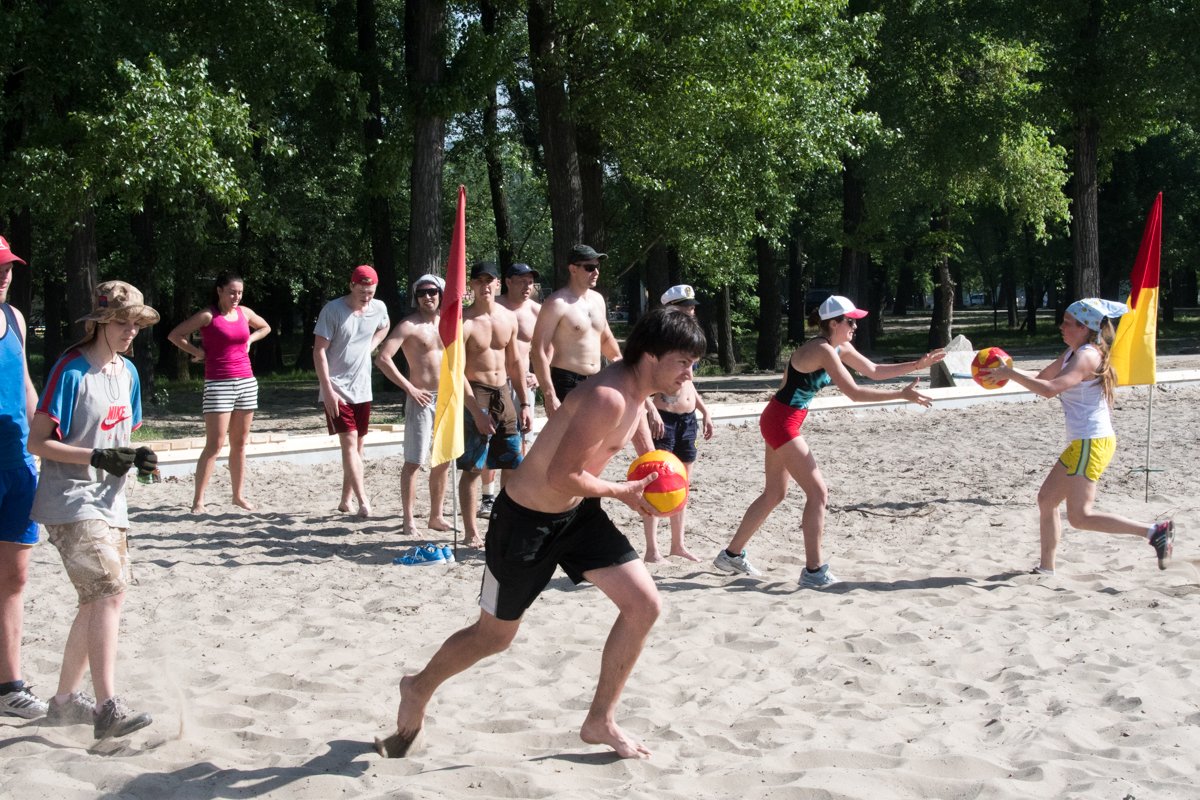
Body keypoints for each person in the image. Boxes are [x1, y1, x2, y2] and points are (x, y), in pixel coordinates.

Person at [377, 307, 707, 760]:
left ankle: (600, 720)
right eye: (683, 362)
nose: (689, 374)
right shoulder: (607, 396)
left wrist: (659, 480)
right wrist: (623, 493)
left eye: (693, 364)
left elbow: (640, 453)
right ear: (650, 356)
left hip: (578, 517)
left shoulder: (638, 391)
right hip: (525, 523)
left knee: (644, 605)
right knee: (494, 636)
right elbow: (561, 475)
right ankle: (417, 687)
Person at [715, 295, 945, 587]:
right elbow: (855, 394)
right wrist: (901, 395)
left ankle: (731, 555)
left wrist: (917, 364)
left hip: (780, 418)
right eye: (850, 321)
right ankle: (813, 571)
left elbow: (872, 372)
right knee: (819, 493)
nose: (855, 326)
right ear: (833, 323)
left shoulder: (838, 347)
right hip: (782, 422)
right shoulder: (822, 350)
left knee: (774, 493)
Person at [27, 280, 159, 739]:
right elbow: (38, 441)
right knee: (106, 591)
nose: (130, 331)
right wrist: (94, 457)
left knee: (106, 597)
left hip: (110, 501)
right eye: (123, 322)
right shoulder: (69, 370)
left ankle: (64, 700)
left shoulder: (127, 373)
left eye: (137, 323)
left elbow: (117, 439)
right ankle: (107, 707)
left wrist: (137, 458)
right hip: (69, 501)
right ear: (101, 322)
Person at [981, 298, 1175, 575]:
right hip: (1081, 442)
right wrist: (1003, 372)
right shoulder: (1073, 352)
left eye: (1068, 323)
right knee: (1047, 500)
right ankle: (1046, 567)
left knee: (1080, 516)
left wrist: (1009, 373)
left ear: (1085, 328)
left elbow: (1050, 389)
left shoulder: (1087, 356)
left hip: (1092, 442)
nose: (1061, 326)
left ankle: (1155, 531)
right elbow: (1040, 376)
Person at [167, 272, 271, 514]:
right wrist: (197, 351)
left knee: (240, 443)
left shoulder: (244, 313)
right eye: (232, 292)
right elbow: (174, 335)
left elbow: (265, 327)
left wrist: (250, 340)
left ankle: (237, 496)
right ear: (220, 291)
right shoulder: (208, 315)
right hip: (218, 384)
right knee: (214, 444)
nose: (236, 297)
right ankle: (198, 501)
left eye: (240, 293)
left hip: (246, 381)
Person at [0, 236, 46, 720]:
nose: (5, 275)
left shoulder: (14, 319)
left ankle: (9, 684)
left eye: (9, 266)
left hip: (17, 465)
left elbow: (27, 385)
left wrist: (43, 444)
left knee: (15, 577)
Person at [457, 262, 531, 548]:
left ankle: (504, 524)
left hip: (504, 392)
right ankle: (470, 531)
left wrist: (524, 402)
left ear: (498, 284)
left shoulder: (508, 318)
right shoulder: (464, 323)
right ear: (472, 286)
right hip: (476, 392)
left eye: (490, 281)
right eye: (479, 281)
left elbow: (515, 362)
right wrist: (475, 411)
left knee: (512, 462)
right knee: (473, 467)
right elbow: (456, 373)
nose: (485, 286)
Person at [374, 274, 453, 537]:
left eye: (432, 292)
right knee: (414, 460)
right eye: (421, 293)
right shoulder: (409, 325)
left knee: (443, 458)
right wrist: (410, 387)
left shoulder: (449, 324)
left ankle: (436, 515)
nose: (427, 297)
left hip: (446, 398)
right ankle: (408, 519)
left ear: (440, 294)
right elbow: (383, 358)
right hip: (422, 398)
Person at [639, 286, 713, 563]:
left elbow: (689, 383)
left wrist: (704, 411)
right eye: (684, 306)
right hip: (664, 416)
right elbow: (639, 381)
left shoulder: (688, 340)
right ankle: (651, 548)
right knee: (655, 482)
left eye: (692, 306)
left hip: (687, 418)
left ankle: (677, 545)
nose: (691, 311)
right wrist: (651, 409)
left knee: (682, 483)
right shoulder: (657, 342)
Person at [314, 265, 390, 518]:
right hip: (337, 388)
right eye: (362, 291)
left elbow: (385, 326)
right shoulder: (333, 310)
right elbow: (319, 351)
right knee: (348, 444)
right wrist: (327, 390)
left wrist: (372, 346)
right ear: (351, 286)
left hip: (362, 388)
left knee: (358, 446)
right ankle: (363, 500)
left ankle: (345, 499)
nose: (366, 297)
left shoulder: (378, 308)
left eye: (370, 292)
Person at [479, 262, 543, 517]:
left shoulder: (537, 311)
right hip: (495, 383)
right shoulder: (494, 308)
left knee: (521, 439)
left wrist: (537, 374)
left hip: (524, 385)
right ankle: (487, 495)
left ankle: (513, 494)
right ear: (507, 281)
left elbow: (546, 348)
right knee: (490, 438)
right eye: (521, 281)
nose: (527, 286)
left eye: (530, 281)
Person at [530, 244, 621, 416]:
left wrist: (623, 367)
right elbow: (538, 350)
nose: (596, 272)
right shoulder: (557, 303)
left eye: (597, 267)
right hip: (567, 381)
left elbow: (605, 339)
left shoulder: (598, 300)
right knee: (569, 440)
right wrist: (550, 395)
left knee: (595, 438)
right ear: (573, 269)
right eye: (589, 267)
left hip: (596, 380)